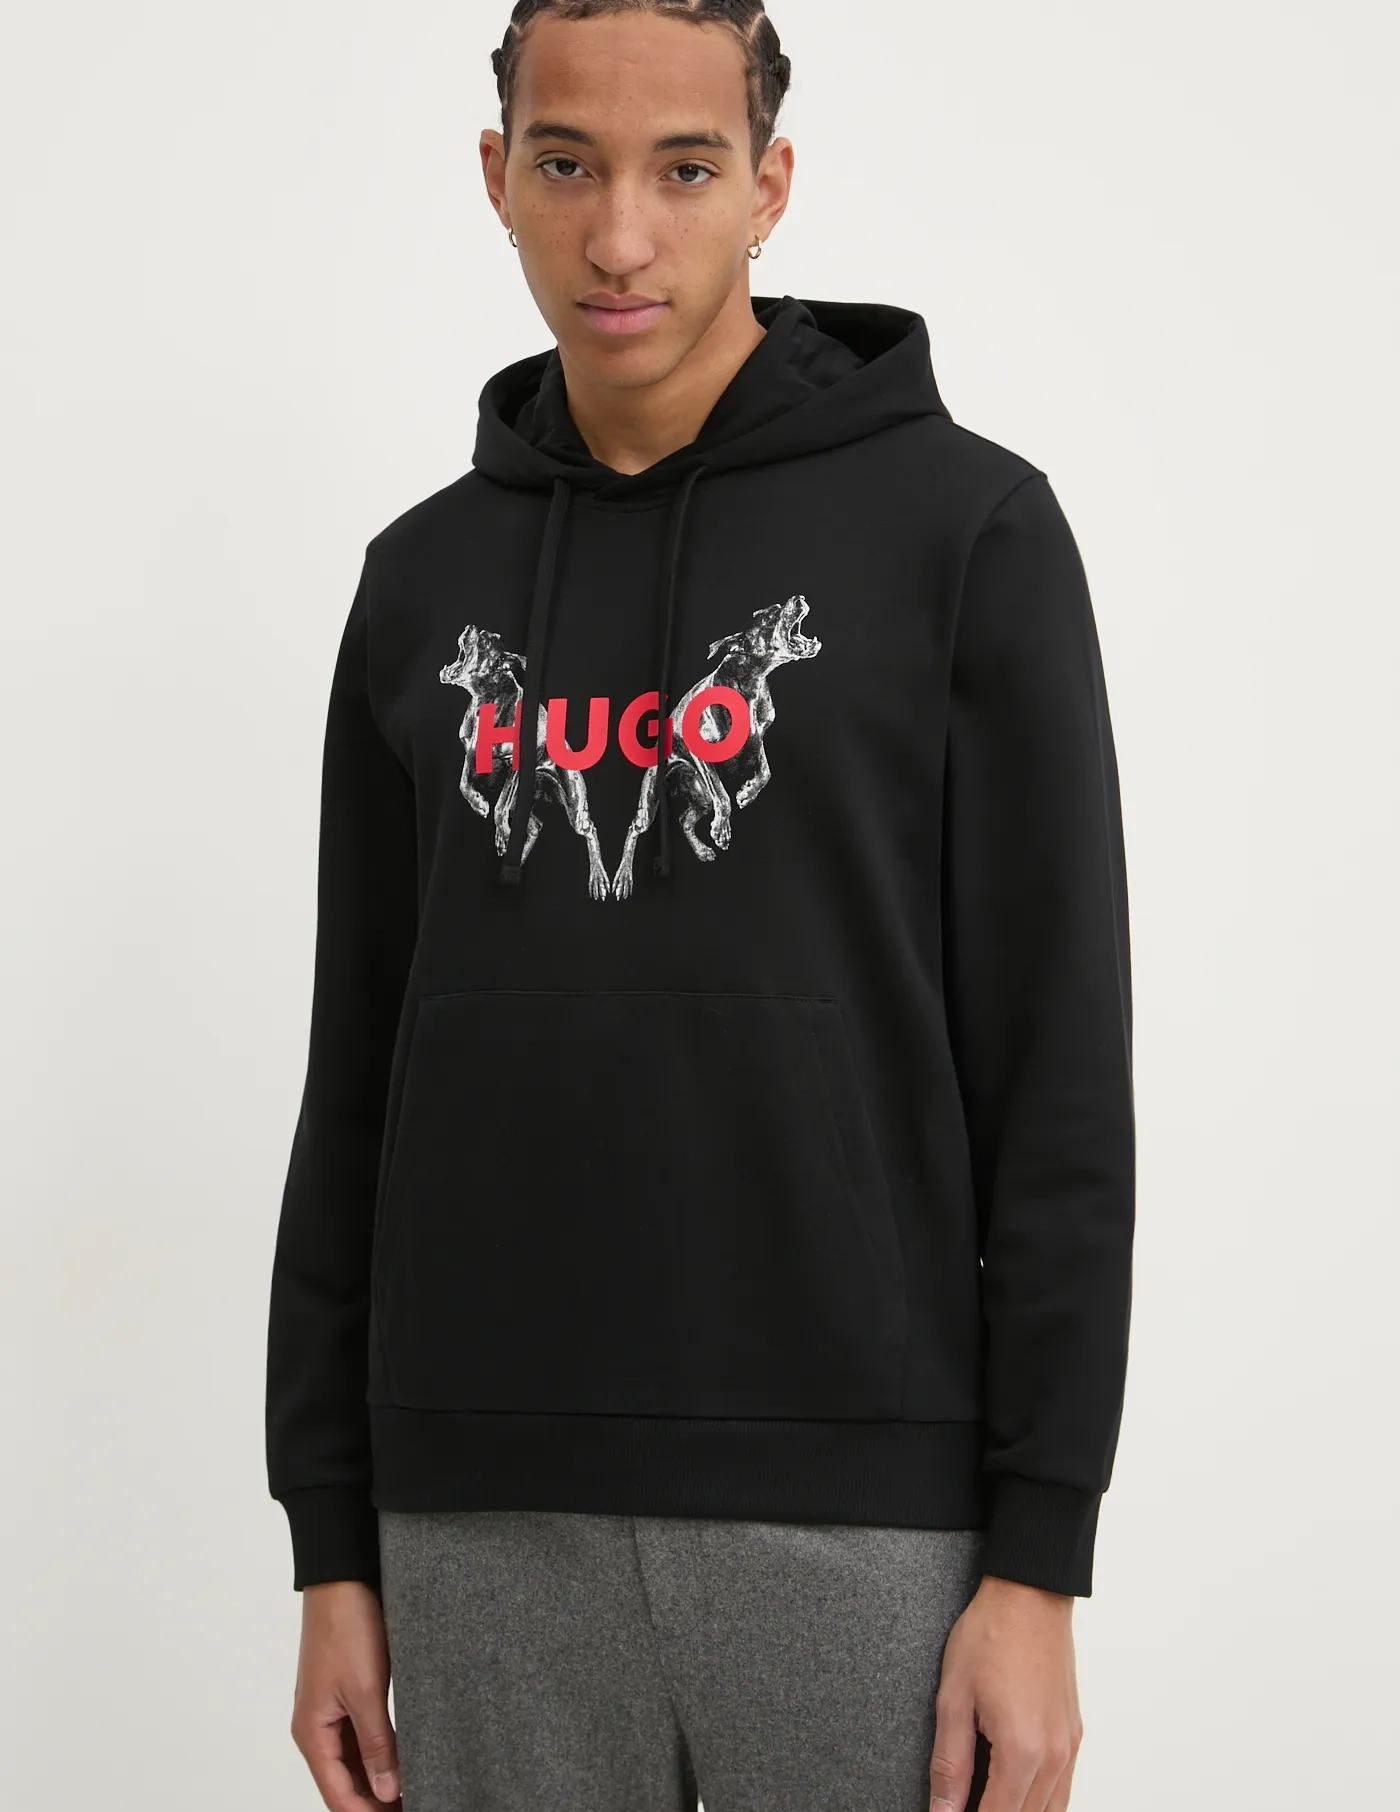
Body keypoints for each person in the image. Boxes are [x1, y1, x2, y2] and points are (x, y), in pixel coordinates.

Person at [263, 3, 1136, 1809]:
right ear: (496, 177)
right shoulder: (420, 581)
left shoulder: (965, 536)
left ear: (770, 186)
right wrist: (331, 1540)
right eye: (567, 164)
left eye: (684, 170)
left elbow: (1058, 1082)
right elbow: (357, 1077)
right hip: (479, 1504)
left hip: (862, 1510)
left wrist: (1041, 1555)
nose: (620, 237)